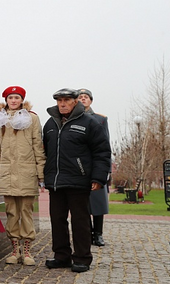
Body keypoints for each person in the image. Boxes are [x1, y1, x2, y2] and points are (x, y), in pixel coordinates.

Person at [42, 88, 111, 273]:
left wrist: (99, 177)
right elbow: (46, 151)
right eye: (59, 101)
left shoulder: (90, 122)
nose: (62, 104)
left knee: (80, 221)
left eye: (66, 100)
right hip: (56, 181)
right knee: (57, 220)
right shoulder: (50, 123)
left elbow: (102, 151)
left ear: (75, 102)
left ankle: (82, 258)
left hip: (79, 181)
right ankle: (61, 256)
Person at [0, 86, 46, 266]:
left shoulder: (32, 118)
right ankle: (15, 249)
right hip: (6, 172)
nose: (13, 101)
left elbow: (38, 146)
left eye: (17, 98)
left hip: (26, 172)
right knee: (12, 212)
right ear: (6, 100)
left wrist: (40, 173)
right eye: (10, 98)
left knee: (26, 211)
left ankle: (27, 251)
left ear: (22, 100)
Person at [77, 88, 111, 247]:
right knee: (81, 203)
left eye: (86, 97)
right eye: (80, 97)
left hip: (96, 164)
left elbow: (105, 146)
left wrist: (106, 170)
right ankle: (86, 233)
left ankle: (98, 234)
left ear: (90, 101)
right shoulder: (72, 119)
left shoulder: (100, 119)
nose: (83, 99)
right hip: (78, 166)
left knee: (98, 201)